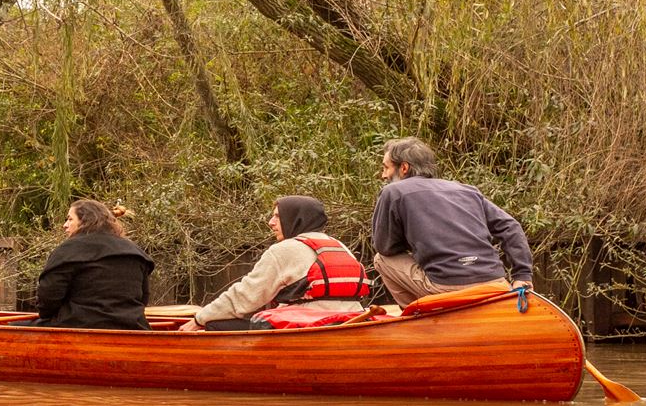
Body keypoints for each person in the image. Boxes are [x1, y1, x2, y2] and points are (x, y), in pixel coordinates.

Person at [370, 137, 534, 308]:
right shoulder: (467, 190)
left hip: (446, 287)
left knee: (381, 259)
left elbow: (385, 247)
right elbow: (510, 226)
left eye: (386, 168)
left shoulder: (393, 191)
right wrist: (522, 276)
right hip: (496, 282)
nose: (383, 175)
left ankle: (416, 316)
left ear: (404, 167)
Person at [179, 195, 370, 331]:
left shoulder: (284, 250)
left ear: (295, 219)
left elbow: (244, 297)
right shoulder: (339, 245)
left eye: (278, 216)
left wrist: (200, 319)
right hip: (352, 324)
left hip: (311, 328)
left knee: (215, 324)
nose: (271, 222)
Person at [35, 200, 154, 330]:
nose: (65, 225)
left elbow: (48, 300)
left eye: (70, 219)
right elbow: (143, 298)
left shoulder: (68, 250)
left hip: (77, 327)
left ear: (85, 221)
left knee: (16, 328)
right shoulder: (134, 251)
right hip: (132, 327)